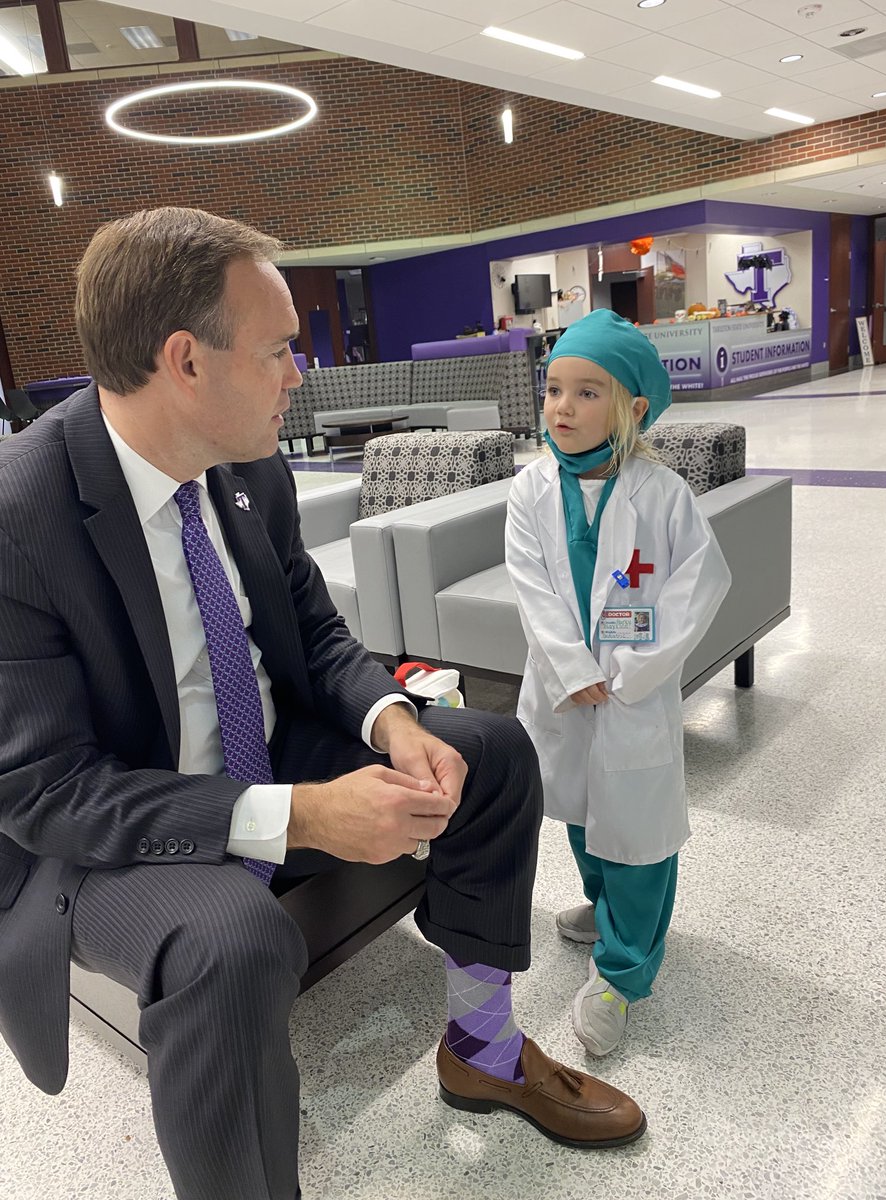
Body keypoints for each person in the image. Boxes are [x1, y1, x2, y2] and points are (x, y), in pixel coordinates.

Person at [0, 209, 647, 1200]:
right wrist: (303, 817)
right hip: (108, 827)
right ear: (186, 361)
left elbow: (314, 631)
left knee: (490, 752)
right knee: (231, 940)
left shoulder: (250, 465)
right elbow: (47, 792)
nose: (300, 373)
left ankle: (482, 1047)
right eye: (278, 350)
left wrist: (391, 721)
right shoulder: (20, 518)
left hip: (263, 744)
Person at [505, 308, 731, 1058]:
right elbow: (531, 588)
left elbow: (698, 587)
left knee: (638, 835)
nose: (562, 408)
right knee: (580, 812)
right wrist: (572, 670)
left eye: (586, 392)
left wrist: (632, 672)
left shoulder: (662, 496)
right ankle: (605, 911)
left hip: (633, 693)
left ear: (633, 409)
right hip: (567, 694)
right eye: (554, 389)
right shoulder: (530, 490)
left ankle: (624, 973)